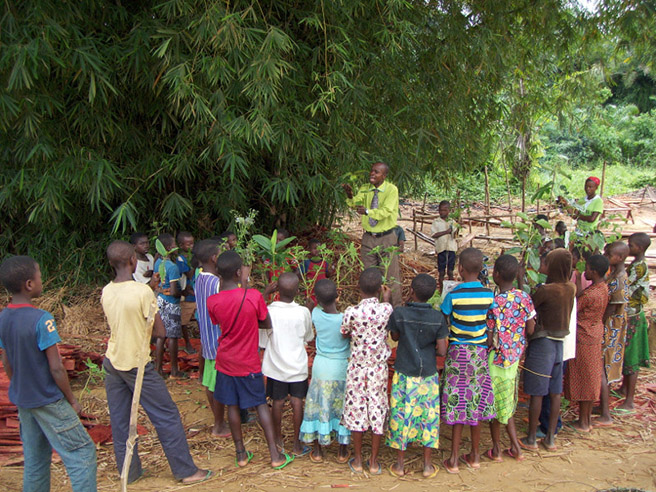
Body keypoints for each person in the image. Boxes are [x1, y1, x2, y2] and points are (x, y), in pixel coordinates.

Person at [100, 241, 211, 485]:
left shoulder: (107, 290)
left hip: (113, 360)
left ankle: (129, 472)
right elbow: (160, 331)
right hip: (136, 363)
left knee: (120, 420)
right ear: (133, 261)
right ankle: (186, 471)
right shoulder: (142, 292)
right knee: (166, 414)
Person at [0, 256, 97, 492]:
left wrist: (19, 387)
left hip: (24, 399)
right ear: (29, 284)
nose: (42, 279)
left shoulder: (3, 317)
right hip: (48, 399)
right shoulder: (43, 319)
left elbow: (7, 360)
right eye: (40, 275)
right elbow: (56, 367)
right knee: (82, 452)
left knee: (35, 459)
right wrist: (72, 400)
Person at [206, 251, 293, 469]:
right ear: (238, 272)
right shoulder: (253, 295)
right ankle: (274, 455)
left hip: (225, 361)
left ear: (218, 273)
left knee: (232, 406)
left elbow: (219, 323)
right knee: (260, 404)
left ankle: (241, 454)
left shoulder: (212, 301)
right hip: (248, 361)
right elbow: (266, 322)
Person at [439, 248, 496, 474]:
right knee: (475, 400)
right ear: (482, 269)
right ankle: (474, 456)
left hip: (457, 353)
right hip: (479, 354)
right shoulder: (488, 295)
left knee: (457, 399)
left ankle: (453, 459)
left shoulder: (452, 295)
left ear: (459, 268)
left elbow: (444, 317)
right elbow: (491, 322)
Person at [386, 274, 447, 479]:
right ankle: (427, 465)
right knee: (428, 418)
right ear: (431, 296)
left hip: (404, 372)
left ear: (411, 291)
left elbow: (394, 336)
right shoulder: (438, 318)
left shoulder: (400, 313)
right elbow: (442, 350)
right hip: (428, 374)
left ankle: (400, 464)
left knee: (402, 415)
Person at [521, 249, 575, 453]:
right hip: (559, 344)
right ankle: (550, 438)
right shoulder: (571, 287)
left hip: (542, 343)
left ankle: (532, 438)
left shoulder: (546, 290)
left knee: (537, 393)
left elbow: (528, 309)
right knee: (554, 392)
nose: (542, 265)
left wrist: (521, 281)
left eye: (546, 262)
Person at [340, 267, 393, 474]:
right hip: (378, 369)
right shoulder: (386, 310)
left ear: (357, 288)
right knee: (377, 408)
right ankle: (373, 462)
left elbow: (344, 333)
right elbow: (390, 318)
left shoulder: (351, 312)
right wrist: (387, 299)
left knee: (357, 409)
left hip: (357, 369)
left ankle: (359, 460)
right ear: (380, 289)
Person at [486, 255, 536, 463]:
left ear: (496, 274)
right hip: (514, 359)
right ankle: (514, 447)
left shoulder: (494, 303)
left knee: (495, 406)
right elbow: (531, 328)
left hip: (496, 360)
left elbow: (489, 337)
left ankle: (498, 449)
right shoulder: (524, 298)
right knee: (507, 403)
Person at [262, 272, 314, 457]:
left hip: (276, 367)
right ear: (298, 291)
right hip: (297, 367)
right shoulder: (303, 312)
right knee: (297, 402)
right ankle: (297, 443)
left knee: (277, 402)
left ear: (277, 290)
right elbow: (308, 336)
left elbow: (263, 340)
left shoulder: (269, 311)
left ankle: (278, 439)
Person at [299, 279, 351, 464]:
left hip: (321, 367)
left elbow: (311, 309)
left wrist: (311, 304)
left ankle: (318, 450)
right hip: (341, 368)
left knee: (320, 405)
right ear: (338, 296)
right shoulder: (345, 318)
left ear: (317, 300)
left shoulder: (315, 314)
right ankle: (342, 451)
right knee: (342, 407)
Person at [342, 162, 402, 306]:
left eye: (376, 172)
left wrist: (368, 211)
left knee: (390, 277)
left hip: (386, 238)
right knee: (369, 276)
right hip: (369, 238)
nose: (372, 174)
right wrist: (349, 195)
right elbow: (354, 203)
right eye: (371, 171)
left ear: (384, 175)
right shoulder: (365, 188)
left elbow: (387, 211)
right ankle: (371, 310)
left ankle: (395, 312)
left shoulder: (391, 190)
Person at [564, 254, 609, 432]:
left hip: (584, 337)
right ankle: (586, 419)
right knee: (590, 377)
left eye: (588, 269)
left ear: (594, 271)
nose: (585, 271)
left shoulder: (592, 294)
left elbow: (574, 305)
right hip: (594, 334)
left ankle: (583, 422)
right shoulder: (602, 288)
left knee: (584, 379)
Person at [193, 239, 230, 437]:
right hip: (219, 341)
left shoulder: (200, 277)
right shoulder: (217, 283)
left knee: (210, 381)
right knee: (217, 385)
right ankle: (218, 425)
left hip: (207, 339)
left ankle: (221, 421)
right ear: (214, 258)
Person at [596, 241, 629, 426]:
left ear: (620, 258)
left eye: (609, 255)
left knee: (604, 367)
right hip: (611, 325)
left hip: (611, 327)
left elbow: (613, 307)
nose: (606, 257)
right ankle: (602, 406)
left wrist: (599, 322)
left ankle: (605, 414)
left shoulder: (619, 279)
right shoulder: (615, 275)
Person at [618, 232, 652, 411]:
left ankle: (629, 401)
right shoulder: (636, 264)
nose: (628, 247)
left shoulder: (638, 267)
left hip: (633, 316)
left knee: (632, 356)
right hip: (631, 313)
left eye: (630, 245)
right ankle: (624, 389)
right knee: (627, 352)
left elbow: (625, 285)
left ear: (638, 248)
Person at [153, 233, 185, 378]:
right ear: (167, 248)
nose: (176, 247)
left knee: (161, 336)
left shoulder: (158, 263)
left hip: (160, 300)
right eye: (173, 246)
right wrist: (183, 293)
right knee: (172, 337)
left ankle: (158, 369)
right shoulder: (172, 267)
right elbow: (173, 292)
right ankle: (174, 370)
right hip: (171, 303)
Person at [176, 231, 197, 355]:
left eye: (192, 243)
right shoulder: (180, 259)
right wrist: (194, 263)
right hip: (187, 294)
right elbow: (189, 274)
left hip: (196, 293)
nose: (191, 246)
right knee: (184, 321)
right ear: (181, 245)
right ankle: (187, 342)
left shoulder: (192, 257)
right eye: (188, 244)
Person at [431, 200, 458, 289]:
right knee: (441, 272)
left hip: (451, 248)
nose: (442, 212)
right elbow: (434, 234)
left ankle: (451, 290)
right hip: (441, 249)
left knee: (450, 271)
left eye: (444, 210)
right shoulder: (436, 222)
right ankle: (441, 290)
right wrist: (446, 232)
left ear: (449, 211)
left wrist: (458, 227)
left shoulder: (452, 222)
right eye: (440, 210)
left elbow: (455, 235)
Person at [298, 238, 334, 303]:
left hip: (323, 291)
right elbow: (299, 274)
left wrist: (331, 271)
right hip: (311, 292)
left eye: (319, 249)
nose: (317, 251)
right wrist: (306, 281)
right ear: (309, 249)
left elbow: (327, 275)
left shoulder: (324, 262)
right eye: (314, 248)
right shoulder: (306, 263)